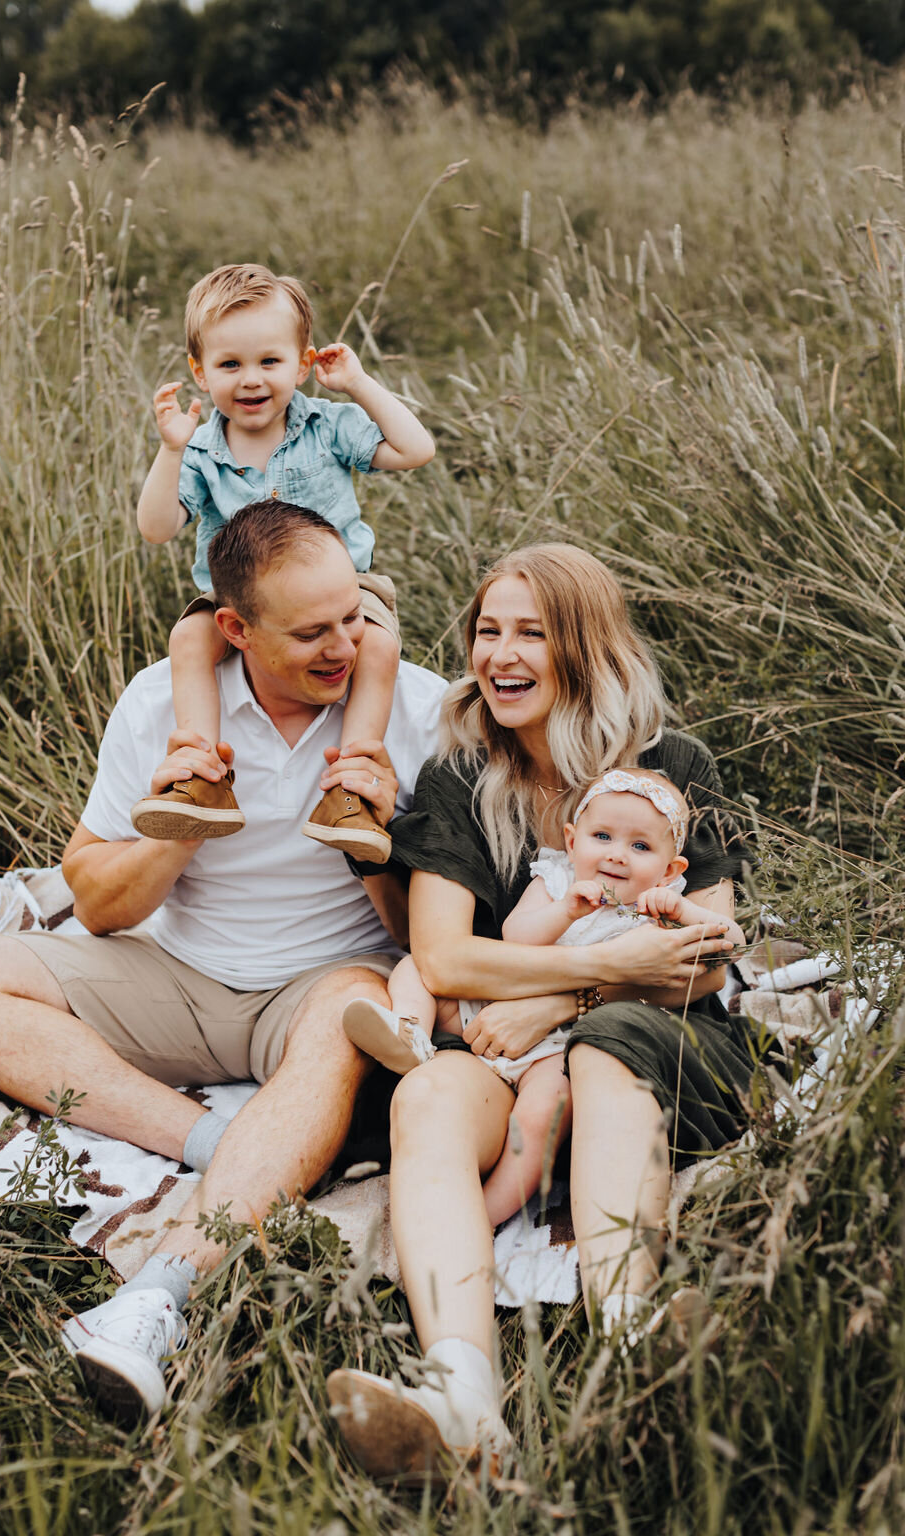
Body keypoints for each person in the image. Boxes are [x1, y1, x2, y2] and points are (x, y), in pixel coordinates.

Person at [0, 500, 447, 1424]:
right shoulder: (164, 700)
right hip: (180, 977)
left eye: (354, 618)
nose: (343, 648)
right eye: (311, 632)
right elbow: (97, 900)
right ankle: (222, 1148)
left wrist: (377, 845)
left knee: (352, 1014)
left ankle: (156, 1299)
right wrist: (176, 833)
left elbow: (425, 937)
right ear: (234, 629)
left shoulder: (419, 709)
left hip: (325, 985)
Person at [326, 543, 760, 1482]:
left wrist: (569, 994)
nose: (501, 653)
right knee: (430, 1096)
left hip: (649, 1044)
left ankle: (632, 1345)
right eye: (488, 631)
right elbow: (440, 955)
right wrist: (551, 996)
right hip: (503, 1050)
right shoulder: (458, 775)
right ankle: (462, 1395)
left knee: (604, 1044)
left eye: (532, 632)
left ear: (585, 647)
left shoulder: (672, 765)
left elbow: (701, 962)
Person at [342, 768, 743, 1228]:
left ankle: (487, 1215)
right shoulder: (555, 879)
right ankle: (408, 1030)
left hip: (560, 1042)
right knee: (416, 967)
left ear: (671, 868)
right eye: (603, 836)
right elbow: (517, 935)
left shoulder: (658, 903)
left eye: (640, 847)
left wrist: (687, 911)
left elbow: (726, 945)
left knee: (545, 1114)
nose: (617, 856)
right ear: (573, 841)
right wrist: (565, 910)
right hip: (493, 1009)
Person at [132, 262, 435, 863]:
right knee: (189, 637)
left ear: (302, 364)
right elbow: (157, 528)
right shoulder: (199, 449)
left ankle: (351, 788)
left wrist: (359, 383)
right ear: (200, 371)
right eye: (229, 365)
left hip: (342, 596)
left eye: (270, 362)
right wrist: (170, 452)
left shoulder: (326, 428)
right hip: (239, 604)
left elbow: (415, 449)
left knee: (376, 645)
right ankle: (200, 774)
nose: (251, 380)